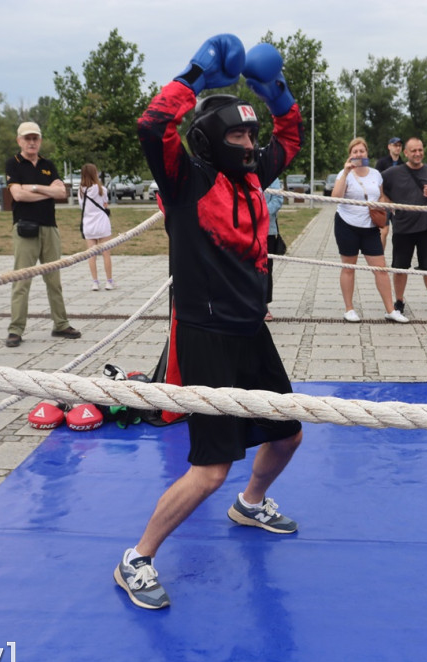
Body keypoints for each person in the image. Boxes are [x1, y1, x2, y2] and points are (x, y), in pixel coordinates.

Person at [117, 35, 304, 610]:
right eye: (239, 134)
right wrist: (196, 74)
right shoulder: (184, 180)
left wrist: (277, 93)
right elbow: (152, 127)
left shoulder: (251, 178)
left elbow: (290, 137)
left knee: (290, 431)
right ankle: (137, 558)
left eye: (252, 133)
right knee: (210, 468)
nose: (251, 144)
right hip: (206, 336)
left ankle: (252, 503)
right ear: (209, 139)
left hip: (252, 330)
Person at [3, 122, 81, 347]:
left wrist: (34, 188)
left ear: (40, 140)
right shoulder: (14, 163)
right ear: (19, 141)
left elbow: (61, 192)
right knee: (21, 280)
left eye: (35, 138)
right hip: (25, 228)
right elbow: (17, 196)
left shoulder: (49, 164)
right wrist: (47, 191)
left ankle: (61, 324)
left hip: (50, 227)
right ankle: (15, 329)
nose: (31, 142)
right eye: (27, 138)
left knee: (54, 280)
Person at [330, 137, 407, 323]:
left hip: (370, 227)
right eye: (355, 152)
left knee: (380, 269)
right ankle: (349, 309)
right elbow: (335, 197)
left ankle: (391, 310)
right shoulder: (345, 173)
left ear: (367, 153)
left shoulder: (375, 174)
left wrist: (383, 204)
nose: (358, 154)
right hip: (347, 224)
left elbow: (380, 195)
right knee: (349, 267)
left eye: (361, 151)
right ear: (350, 155)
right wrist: (347, 171)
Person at [381, 137, 427, 315]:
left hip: (426, 228)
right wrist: (388, 203)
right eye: (413, 151)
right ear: (406, 153)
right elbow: (377, 186)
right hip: (402, 228)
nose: (417, 154)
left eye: (420, 150)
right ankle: (399, 301)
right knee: (400, 267)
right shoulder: (393, 173)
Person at [78, 163, 113, 291]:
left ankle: (95, 282)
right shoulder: (101, 189)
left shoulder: (80, 190)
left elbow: (82, 207)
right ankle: (109, 281)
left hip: (89, 224)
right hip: (102, 223)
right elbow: (105, 205)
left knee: (91, 255)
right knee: (106, 254)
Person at [264, 176, 284, 321]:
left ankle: (264, 306)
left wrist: (259, 213)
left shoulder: (271, 176)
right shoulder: (240, 171)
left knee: (265, 268)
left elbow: (277, 200)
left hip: (267, 230)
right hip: (244, 228)